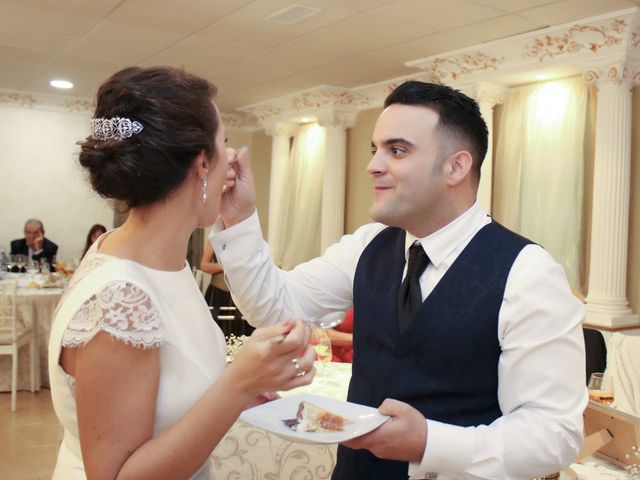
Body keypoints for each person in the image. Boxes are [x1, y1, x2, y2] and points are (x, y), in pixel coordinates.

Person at [210, 80, 587, 479]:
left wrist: (430, 443)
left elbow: (554, 434)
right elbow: (274, 306)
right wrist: (238, 220)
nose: (373, 165)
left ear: (456, 167)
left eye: (397, 150)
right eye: (375, 149)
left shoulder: (527, 272)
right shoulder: (368, 246)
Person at [48, 66, 315, 480]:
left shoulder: (153, 259)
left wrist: (238, 385)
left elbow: (162, 381)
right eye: (224, 144)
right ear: (202, 163)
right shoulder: (122, 297)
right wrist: (236, 385)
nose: (232, 158)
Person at [200, 240, 253, 336]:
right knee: (216, 330)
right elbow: (204, 266)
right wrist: (225, 266)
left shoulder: (246, 237)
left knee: (241, 331)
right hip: (218, 292)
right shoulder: (214, 239)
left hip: (241, 293)